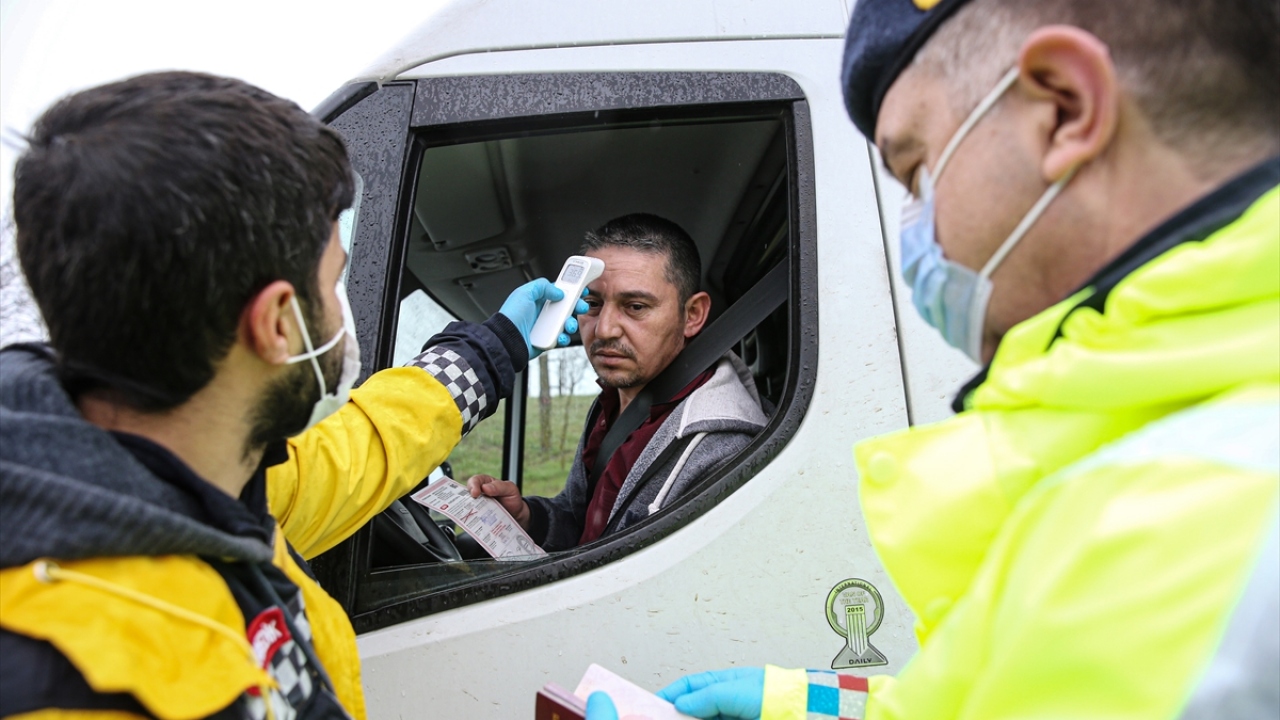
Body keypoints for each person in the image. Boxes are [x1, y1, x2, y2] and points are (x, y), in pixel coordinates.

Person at [590, 0, 1279, 718]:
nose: (917, 236)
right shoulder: (1148, 449)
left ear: (1066, 110)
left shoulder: (1181, 526)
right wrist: (808, 707)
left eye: (917, 172)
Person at [0, 71, 584, 719]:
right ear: (279, 323)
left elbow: (362, 448)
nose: (341, 314)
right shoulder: (59, 684)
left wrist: (494, 346)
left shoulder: (216, 478)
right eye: (335, 281)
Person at [467, 213, 768, 550]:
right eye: (592, 304)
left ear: (693, 315)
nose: (605, 329)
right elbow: (585, 523)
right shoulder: (612, 402)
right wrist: (529, 518)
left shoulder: (723, 449)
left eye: (636, 306)